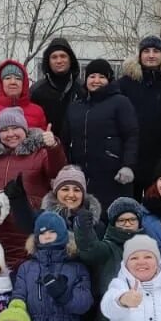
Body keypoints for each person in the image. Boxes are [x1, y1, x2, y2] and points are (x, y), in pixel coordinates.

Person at [0, 107, 65, 269]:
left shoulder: (40, 152)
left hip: (26, 232)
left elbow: (57, 172)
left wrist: (53, 147)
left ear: (25, 129)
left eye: (15, 128)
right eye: (4, 130)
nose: (10, 134)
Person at [65, 58, 137, 211]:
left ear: (109, 80)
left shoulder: (120, 102)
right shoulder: (76, 106)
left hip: (113, 176)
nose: (96, 80)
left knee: (111, 219)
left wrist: (128, 166)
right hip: (83, 176)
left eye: (101, 77)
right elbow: (66, 138)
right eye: (92, 76)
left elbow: (131, 135)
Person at [116, 35, 161, 190]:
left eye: (156, 51)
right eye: (146, 51)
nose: (151, 55)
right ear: (140, 55)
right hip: (130, 158)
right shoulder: (124, 84)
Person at [0, 58, 47, 146]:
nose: (13, 82)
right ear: (1, 82)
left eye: (18, 78)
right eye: (7, 78)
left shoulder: (37, 111)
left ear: (24, 83)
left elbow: (43, 145)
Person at [31, 37, 81, 136]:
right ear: (48, 61)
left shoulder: (82, 88)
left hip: (76, 147)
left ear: (70, 59)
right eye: (54, 57)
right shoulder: (36, 91)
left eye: (63, 56)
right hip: (47, 146)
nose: (59, 61)